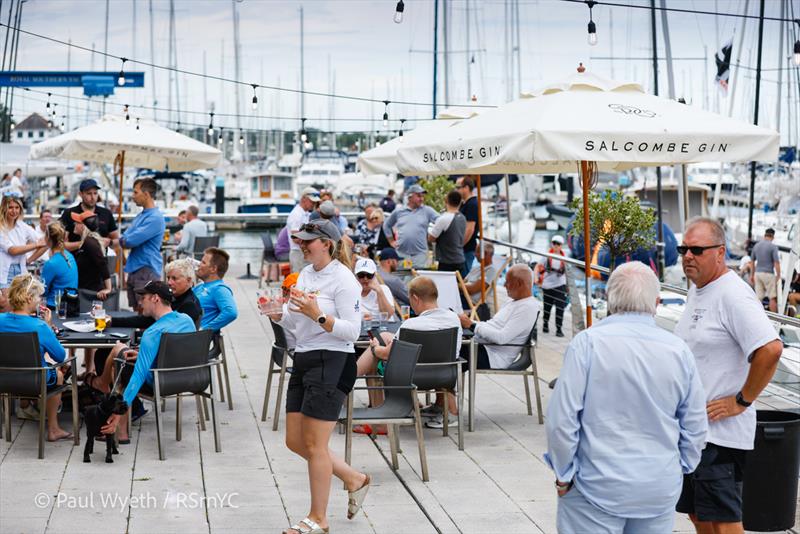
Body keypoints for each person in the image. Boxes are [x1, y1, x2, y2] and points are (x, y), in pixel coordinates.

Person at [545, 261, 708, 534]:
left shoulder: (587, 344)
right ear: (656, 302)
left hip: (594, 484)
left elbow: (562, 421)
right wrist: (680, 467)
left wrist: (564, 474)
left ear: (609, 299)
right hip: (658, 485)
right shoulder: (678, 351)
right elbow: (695, 423)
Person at [260, 219, 370, 533]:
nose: (302, 245)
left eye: (309, 241)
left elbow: (353, 331)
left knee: (315, 444)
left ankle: (318, 518)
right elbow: (297, 326)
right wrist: (279, 314)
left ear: (327, 243)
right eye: (301, 240)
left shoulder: (344, 279)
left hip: (333, 360)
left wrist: (318, 314)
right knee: (295, 441)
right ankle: (354, 478)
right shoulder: (306, 275)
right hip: (305, 357)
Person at [674, 217, 783, 533]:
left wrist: (742, 400)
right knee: (699, 516)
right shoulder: (699, 289)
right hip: (694, 431)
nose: (687, 256)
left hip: (720, 436)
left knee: (723, 522)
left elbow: (771, 349)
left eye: (697, 249)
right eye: (684, 249)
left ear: (720, 253)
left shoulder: (733, 294)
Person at [357, 276, 462, 430]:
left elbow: (387, 354)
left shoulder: (411, 325)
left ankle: (379, 421)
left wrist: (374, 348)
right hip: (444, 375)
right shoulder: (453, 319)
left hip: (407, 378)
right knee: (386, 337)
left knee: (376, 356)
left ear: (415, 298)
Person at [99, 281, 196, 443]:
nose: (140, 302)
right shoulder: (186, 320)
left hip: (160, 382)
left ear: (155, 299)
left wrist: (119, 412)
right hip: (187, 379)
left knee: (121, 363)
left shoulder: (152, 332)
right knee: (125, 356)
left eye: (143, 297)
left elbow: (138, 376)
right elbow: (181, 352)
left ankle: (120, 429)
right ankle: (120, 429)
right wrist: (144, 354)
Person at [0, 274, 73, 441]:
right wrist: (47, 326)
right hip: (34, 381)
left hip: (3, 379)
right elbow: (61, 356)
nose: (40, 300)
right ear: (28, 298)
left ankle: (25, 406)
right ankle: (53, 428)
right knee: (59, 374)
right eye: (38, 296)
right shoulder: (39, 326)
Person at [457, 264, 541, 369]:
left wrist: (472, 325)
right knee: (449, 341)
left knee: (449, 349)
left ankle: (443, 383)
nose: (505, 285)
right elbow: (491, 325)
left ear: (519, 283)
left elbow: (502, 338)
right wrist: (467, 322)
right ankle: (445, 383)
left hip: (493, 358)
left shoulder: (528, 307)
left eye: (508, 282)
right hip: (484, 347)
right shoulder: (512, 301)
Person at [109, 178, 165, 309]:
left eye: (135, 192)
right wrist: (123, 239)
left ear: (146, 194)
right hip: (136, 270)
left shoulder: (155, 218)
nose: (133, 196)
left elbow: (129, 240)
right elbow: (127, 237)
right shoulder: (141, 216)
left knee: (145, 311)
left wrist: (120, 240)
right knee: (136, 310)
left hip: (146, 270)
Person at [383, 184, 438, 268]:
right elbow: (386, 225)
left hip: (420, 255)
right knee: (402, 278)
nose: (422, 199)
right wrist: (391, 241)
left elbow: (440, 221)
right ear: (410, 197)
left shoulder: (427, 210)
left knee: (417, 279)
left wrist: (433, 235)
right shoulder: (399, 211)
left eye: (423, 196)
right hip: (402, 254)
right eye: (419, 196)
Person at [59, 178, 120, 250]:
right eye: (89, 193)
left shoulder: (106, 213)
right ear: (80, 194)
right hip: (76, 260)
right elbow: (60, 243)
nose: (93, 197)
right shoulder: (69, 213)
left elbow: (117, 240)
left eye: (95, 193)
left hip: (99, 259)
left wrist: (109, 242)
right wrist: (86, 244)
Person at [0, 195, 46, 288]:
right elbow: (13, 250)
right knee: (6, 302)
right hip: (4, 271)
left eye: (17, 207)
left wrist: (30, 260)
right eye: (10, 207)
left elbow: (46, 243)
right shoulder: (1, 227)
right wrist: (36, 244)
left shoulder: (22, 226)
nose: (14, 211)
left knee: (21, 302)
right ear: (4, 208)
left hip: (22, 270)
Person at [194, 247, 238, 332]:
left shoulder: (219, 289)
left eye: (203, 262)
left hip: (192, 338)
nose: (199, 264)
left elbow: (231, 313)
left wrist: (205, 330)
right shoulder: (200, 286)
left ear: (213, 269)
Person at [71, 211, 112, 300]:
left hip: (91, 294)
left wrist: (108, 288)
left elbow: (102, 263)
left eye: (77, 222)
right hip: (87, 291)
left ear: (83, 226)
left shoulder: (90, 242)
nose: (74, 224)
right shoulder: (88, 241)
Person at [535, 235, 568, 337]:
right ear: (552, 244)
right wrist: (535, 277)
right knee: (547, 307)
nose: (556, 246)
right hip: (548, 285)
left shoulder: (565, 257)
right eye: (554, 243)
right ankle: (545, 323)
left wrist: (568, 287)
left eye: (558, 244)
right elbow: (537, 266)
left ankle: (559, 328)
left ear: (561, 245)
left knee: (560, 308)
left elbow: (568, 272)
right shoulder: (546, 256)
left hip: (560, 285)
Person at [40, 223, 79, 308]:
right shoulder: (69, 255)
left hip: (54, 306)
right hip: (72, 304)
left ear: (48, 238)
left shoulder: (51, 263)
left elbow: (42, 291)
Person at [429, 190, 466, 272]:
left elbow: (431, 238)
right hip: (460, 259)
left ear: (446, 200)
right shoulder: (462, 218)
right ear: (460, 202)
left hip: (447, 261)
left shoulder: (443, 219)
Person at [286, 187, 320, 272]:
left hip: (303, 252)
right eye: (312, 201)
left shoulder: (305, 213)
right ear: (304, 199)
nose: (313, 204)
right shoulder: (296, 215)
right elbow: (295, 238)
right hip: (298, 253)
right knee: (297, 281)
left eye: (315, 202)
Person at [750, 228, 781, 312]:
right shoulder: (773, 247)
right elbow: (776, 262)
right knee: (772, 298)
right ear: (773, 236)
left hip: (757, 274)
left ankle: (756, 316)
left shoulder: (756, 245)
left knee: (758, 299)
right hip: (768, 274)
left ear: (765, 235)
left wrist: (751, 275)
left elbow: (752, 261)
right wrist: (778, 275)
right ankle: (776, 320)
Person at [456, 176, 479, 276]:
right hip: (463, 249)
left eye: (458, 187)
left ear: (466, 188)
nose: (456, 190)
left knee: (464, 278)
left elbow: (470, 229)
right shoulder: (464, 203)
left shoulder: (472, 204)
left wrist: (458, 246)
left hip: (466, 249)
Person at [462, 241, 497, 306]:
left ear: (485, 254)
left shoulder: (491, 270)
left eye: (477, 252)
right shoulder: (476, 268)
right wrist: (462, 286)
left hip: (472, 303)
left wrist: (459, 286)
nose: (475, 254)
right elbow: (464, 282)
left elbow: (472, 289)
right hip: (464, 297)